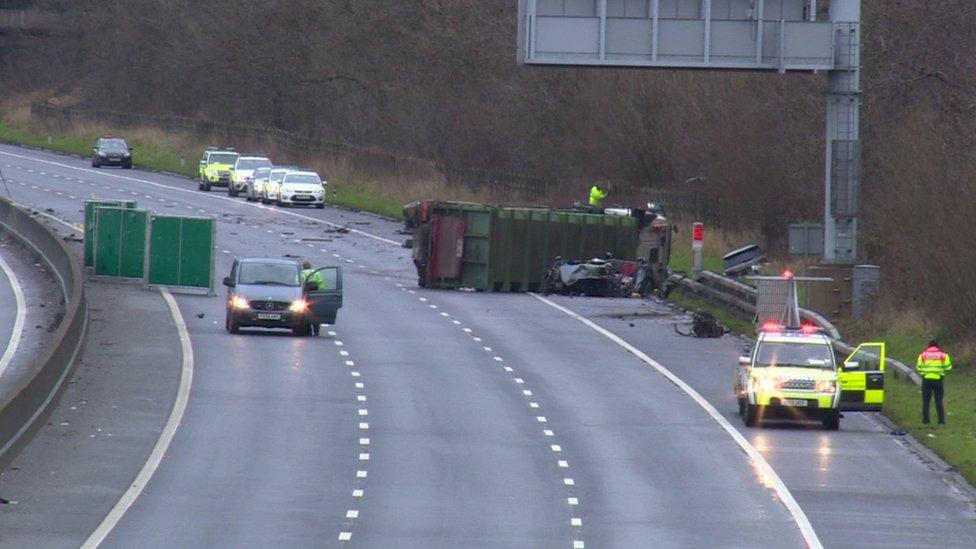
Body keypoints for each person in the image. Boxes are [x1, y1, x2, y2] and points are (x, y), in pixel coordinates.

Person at [916, 340, 952, 425]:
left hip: (926, 380)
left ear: (928, 346)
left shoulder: (923, 355)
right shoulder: (943, 355)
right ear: (938, 346)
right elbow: (948, 367)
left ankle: (925, 420)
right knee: (938, 401)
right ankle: (941, 421)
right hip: (938, 380)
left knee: (926, 401)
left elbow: (918, 367)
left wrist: (923, 373)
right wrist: (941, 371)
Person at [300, 260, 325, 335]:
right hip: (316, 296)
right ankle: (316, 331)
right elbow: (321, 284)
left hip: (305, 296)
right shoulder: (317, 273)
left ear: (303, 267)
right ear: (310, 266)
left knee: (305, 313)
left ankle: (308, 331)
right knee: (316, 314)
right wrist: (321, 294)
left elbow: (298, 285)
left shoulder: (301, 273)